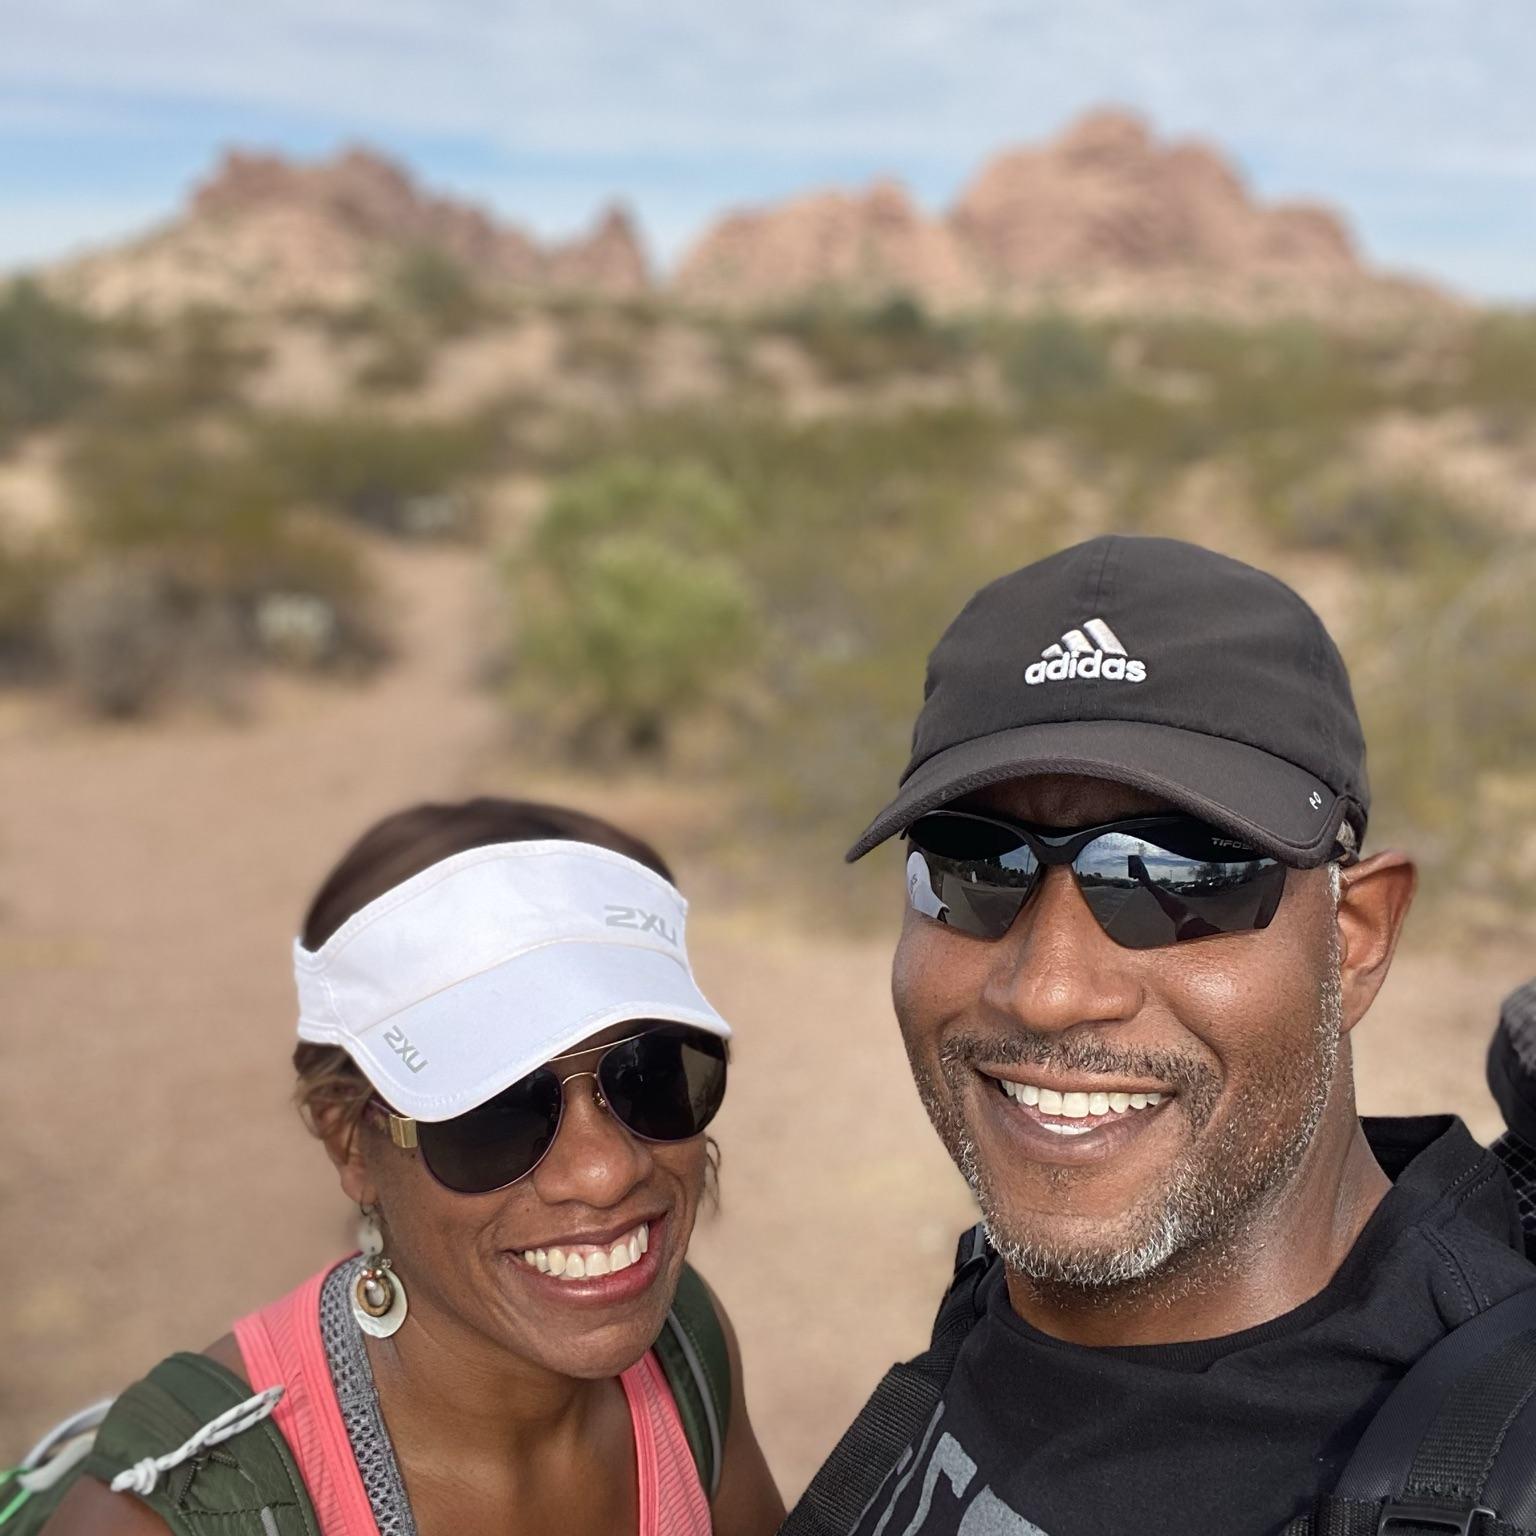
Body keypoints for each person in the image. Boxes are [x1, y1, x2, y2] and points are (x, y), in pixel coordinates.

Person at [785, 537, 1536, 1536]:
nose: (1047, 991)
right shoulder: (997, 1300)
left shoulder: (1486, 1469)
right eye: (974, 867)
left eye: (1177, 877)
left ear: (1355, 942)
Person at [32, 797, 784, 1536]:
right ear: (352, 1145)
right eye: (494, 1113)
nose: (603, 1171)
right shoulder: (168, 1516)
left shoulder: (685, 1347)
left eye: (648, 1074)